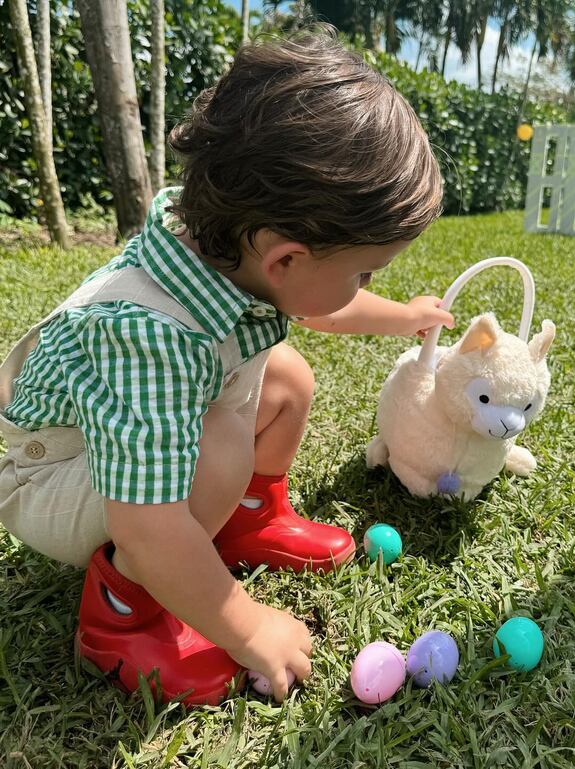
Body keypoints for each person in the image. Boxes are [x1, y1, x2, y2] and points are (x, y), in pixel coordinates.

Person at [0, 28, 452, 705]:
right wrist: (248, 624)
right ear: (285, 258)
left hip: (105, 448)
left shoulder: (227, 243)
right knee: (218, 447)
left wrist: (403, 313)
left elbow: (319, 305)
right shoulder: (149, 338)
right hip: (47, 473)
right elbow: (145, 525)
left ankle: (243, 517)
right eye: (362, 271)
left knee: (287, 377)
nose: (363, 283)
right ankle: (119, 619)